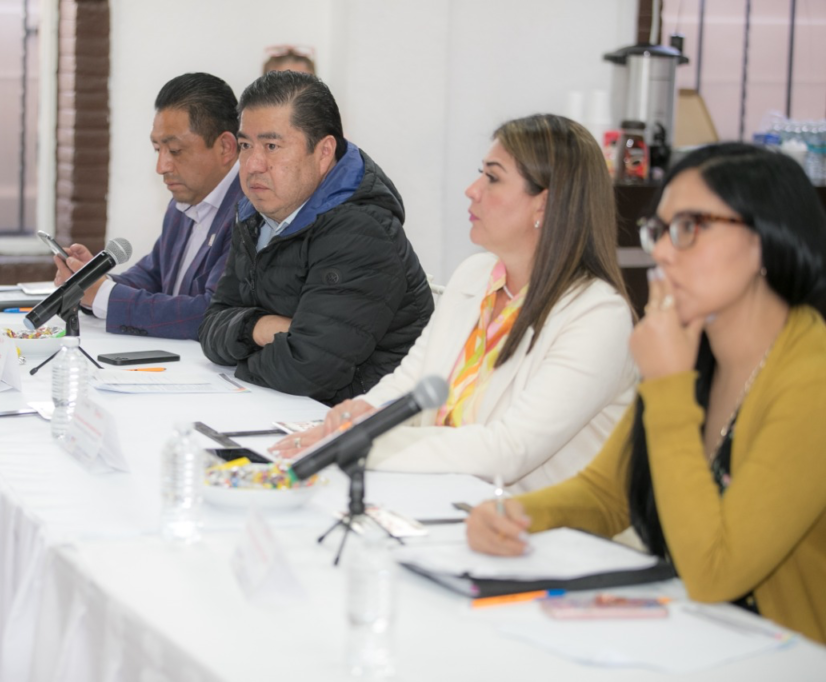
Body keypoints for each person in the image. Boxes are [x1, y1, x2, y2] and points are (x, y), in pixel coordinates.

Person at [466, 143, 826, 644]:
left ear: (765, 239)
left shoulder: (811, 377)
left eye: (690, 228)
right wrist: (514, 514)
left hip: (788, 654)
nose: (661, 252)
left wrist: (669, 386)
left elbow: (715, 572)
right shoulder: (695, 346)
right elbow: (607, 493)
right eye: (660, 230)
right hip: (696, 634)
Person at [274, 114, 636, 494]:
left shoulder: (598, 315)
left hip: (535, 521)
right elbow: (409, 384)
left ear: (543, 205)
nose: (472, 190)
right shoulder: (475, 275)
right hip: (445, 495)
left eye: (492, 178)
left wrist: (361, 445)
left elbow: (509, 450)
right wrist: (354, 421)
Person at [199, 71, 433, 405]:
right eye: (246, 146)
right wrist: (260, 327)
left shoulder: (360, 230)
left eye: (272, 146)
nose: (252, 165)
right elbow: (210, 326)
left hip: (358, 420)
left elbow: (308, 369)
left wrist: (241, 353)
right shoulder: (255, 214)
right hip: (280, 406)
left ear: (324, 152)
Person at [52, 73, 243, 340]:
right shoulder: (182, 203)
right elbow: (152, 276)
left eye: (174, 151)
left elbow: (211, 313)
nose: (161, 167)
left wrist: (104, 296)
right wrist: (92, 283)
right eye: (157, 149)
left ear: (225, 147)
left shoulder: (249, 212)